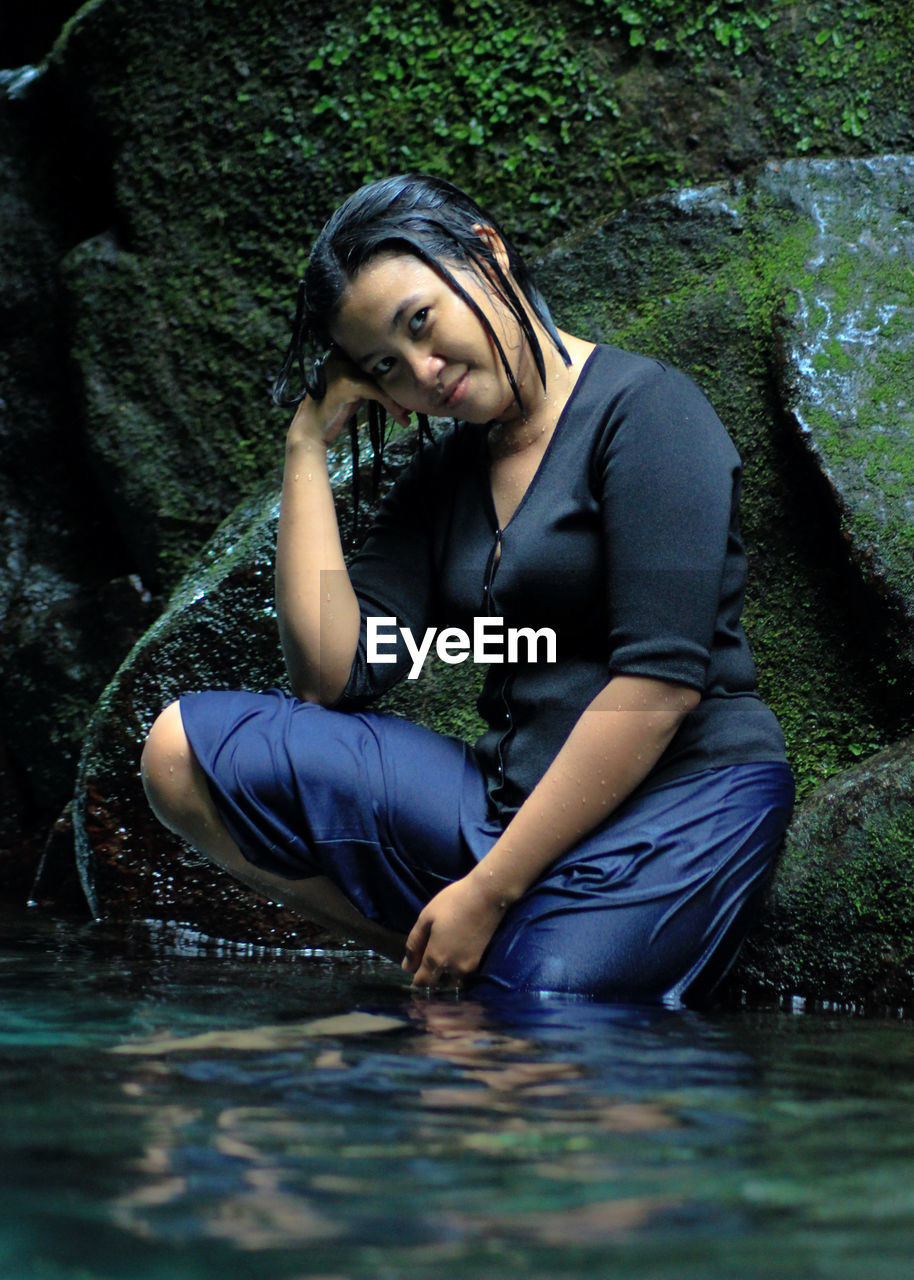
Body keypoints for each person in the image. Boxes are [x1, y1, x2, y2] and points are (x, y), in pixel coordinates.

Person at [141, 173, 794, 1005]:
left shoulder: (648, 413)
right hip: (502, 806)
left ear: (487, 255)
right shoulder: (445, 476)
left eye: (422, 323)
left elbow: (658, 689)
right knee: (180, 753)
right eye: (386, 364)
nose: (423, 370)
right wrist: (305, 450)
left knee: (522, 1027)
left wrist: (487, 893)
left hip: (676, 803)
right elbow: (331, 674)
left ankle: (482, 954)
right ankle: (437, 956)